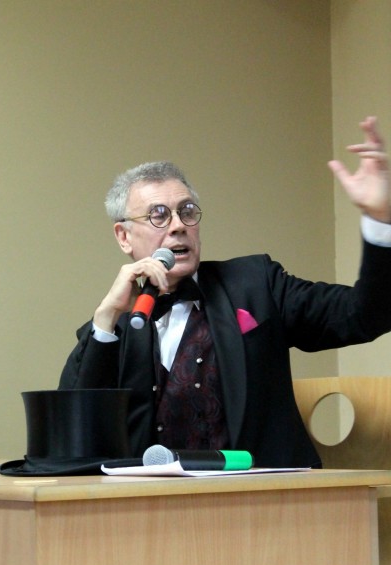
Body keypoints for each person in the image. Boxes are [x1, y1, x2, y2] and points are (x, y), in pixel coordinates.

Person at [59, 116, 391, 467]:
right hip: (150, 497)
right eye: (159, 215)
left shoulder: (256, 283)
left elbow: (364, 315)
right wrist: (106, 318)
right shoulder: (120, 325)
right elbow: (71, 435)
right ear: (124, 237)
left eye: (187, 211)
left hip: (262, 491)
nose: (178, 226)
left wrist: (381, 221)